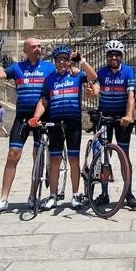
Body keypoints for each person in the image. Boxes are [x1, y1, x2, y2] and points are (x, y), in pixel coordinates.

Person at [0, 34, 54, 213]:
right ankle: (3, 199)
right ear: (25, 50)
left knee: (38, 156)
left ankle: (32, 195)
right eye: (34, 47)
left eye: (39, 46)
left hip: (42, 118)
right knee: (12, 154)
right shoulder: (17, 68)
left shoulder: (49, 68)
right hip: (22, 117)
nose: (38, 49)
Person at [29, 45, 99, 211]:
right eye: (59, 59)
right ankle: (53, 196)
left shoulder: (77, 75)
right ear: (55, 61)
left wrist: (81, 61)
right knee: (55, 160)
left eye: (65, 59)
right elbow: (44, 100)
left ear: (69, 61)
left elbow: (93, 77)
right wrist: (36, 117)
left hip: (73, 122)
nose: (62, 62)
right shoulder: (49, 79)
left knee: (74, 159)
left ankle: (75, 195)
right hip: (55, 123)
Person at [95, 41, 136, 209]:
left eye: (117, 55)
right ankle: (104, 193)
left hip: (122, 118)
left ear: (121, 56)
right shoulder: (101, 72)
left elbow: (131, 95)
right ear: (107, 57)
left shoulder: (128, 71)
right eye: (111, 55)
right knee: (104, 156)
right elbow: (95, 86)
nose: (114, 57)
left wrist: (129, 115)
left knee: (124, 155)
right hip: (105, 117)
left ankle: (128, 192)